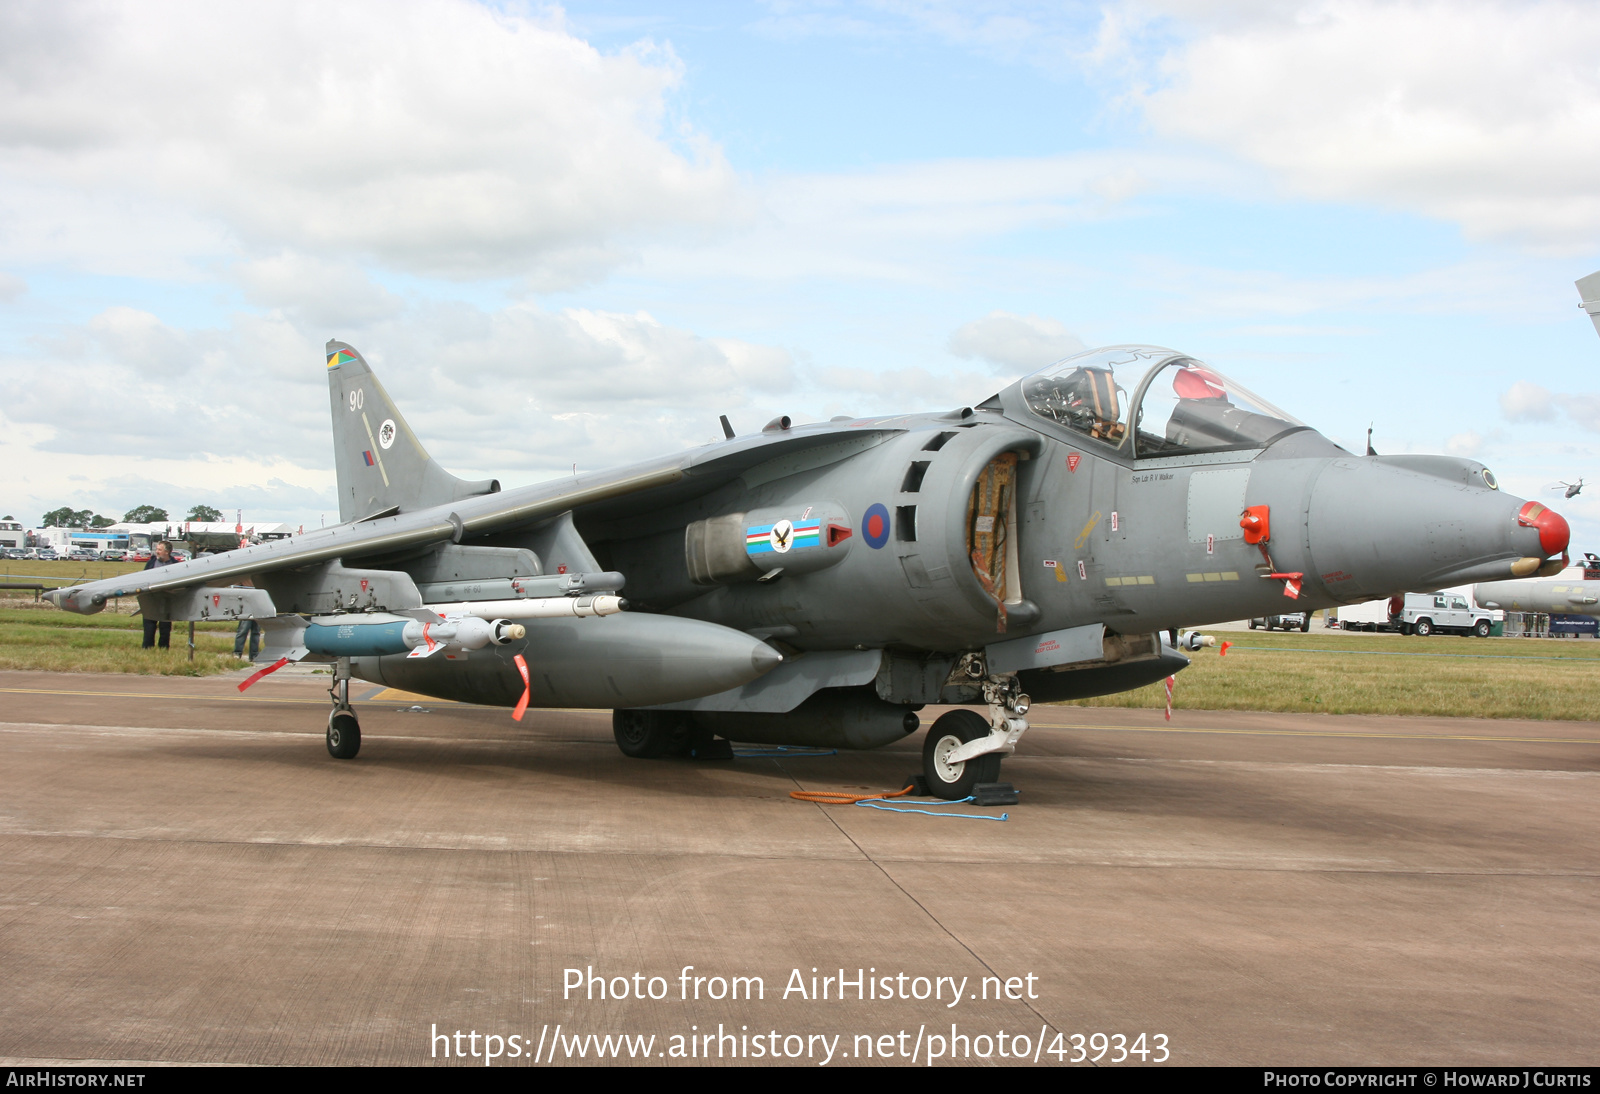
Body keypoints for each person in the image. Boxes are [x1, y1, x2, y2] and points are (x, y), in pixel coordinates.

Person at [141, 540, 179, 649]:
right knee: (149, 625)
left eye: (159, 549)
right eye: (157, 549)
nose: (157, 552)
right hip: (151, 598)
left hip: (167, 599)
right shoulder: (151, 563)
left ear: (167, 552)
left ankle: (163, 648)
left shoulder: (175, 565)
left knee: (165, 626)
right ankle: (147, 648)